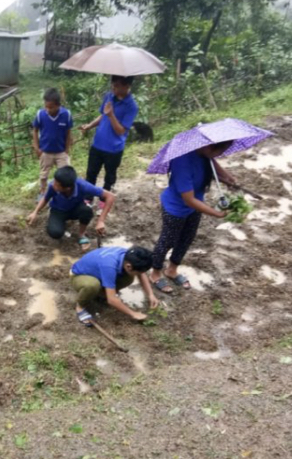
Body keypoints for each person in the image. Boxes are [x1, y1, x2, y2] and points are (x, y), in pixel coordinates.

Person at [149, 141, 237, 293]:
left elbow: (212, 164)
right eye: (218, 151)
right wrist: (216, 213)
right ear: (208, 146)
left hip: (195, 206)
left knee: (187, 238)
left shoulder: (204, 154)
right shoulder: (182, 161)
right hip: (175, 208)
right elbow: (188, 199)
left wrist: (227, 177)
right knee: (167, 241)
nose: (218, 155)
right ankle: (155, 274)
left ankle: (172, 269)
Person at [79, 75, 139, 209]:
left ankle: (104, 200)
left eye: (117, 85)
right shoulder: (109, 96)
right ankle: (88, 199)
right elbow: (102, 115)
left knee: (109, 177)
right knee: (91, 173)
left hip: (113, 149)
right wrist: (89, 125)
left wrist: (111, 115)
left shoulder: (132, 106)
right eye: (113, 84)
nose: (113, 87)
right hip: (97, 144)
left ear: (127, 86)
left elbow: (121, 131)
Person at [27, 166, 115, 251]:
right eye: (54, 182)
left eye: (57, 185)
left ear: (67, 188)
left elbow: (110, 196)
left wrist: (101, 221)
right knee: (55, 233)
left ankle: (81, 234)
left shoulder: (82, 185)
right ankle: (58, 221)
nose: (53, 185)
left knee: (86, 211)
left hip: (75, 209)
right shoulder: (53, 185)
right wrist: (35, 212)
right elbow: (45, 198)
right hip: (58, 210)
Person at [70, 246, 159, 325]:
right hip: (79, 275)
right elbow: (111, 300)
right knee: (92, 285)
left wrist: (151, 295)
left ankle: (102, 293)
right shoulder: (109, 266)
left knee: (128, 277)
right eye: (139, 271)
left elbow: (141, 274)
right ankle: (80, 306)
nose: (141, 274)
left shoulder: (130, 256)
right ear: (128, 266)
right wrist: (134, 314)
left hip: (99, 273)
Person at [32, 88, 73, 200]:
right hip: (45, 151)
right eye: (46, 106)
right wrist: (37, 148)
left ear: (58, 105)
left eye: (51, 107)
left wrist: (66, 150)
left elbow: (68, 132)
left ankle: (63, 192)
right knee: (44, 174)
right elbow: (35, 130)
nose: (48, 109)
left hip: (61, 152)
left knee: (65, 174)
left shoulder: (66, 114)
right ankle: (43, 191)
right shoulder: (41, 115)